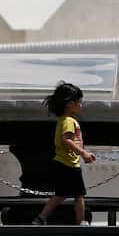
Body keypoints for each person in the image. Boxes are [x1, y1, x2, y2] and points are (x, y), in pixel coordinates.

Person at [32, 82, 95, 225]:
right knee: (79, 195)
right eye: (80, 102)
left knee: (60, 195)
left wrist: (84, 153)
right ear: (70, 104)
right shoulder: (68, 121)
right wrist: (84, 153)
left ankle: (41, 218)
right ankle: (81, 221)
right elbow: (67, 141)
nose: (81, 105)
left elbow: (70, 142)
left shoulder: (64, 120)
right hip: (69, 165)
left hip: (64, 163)